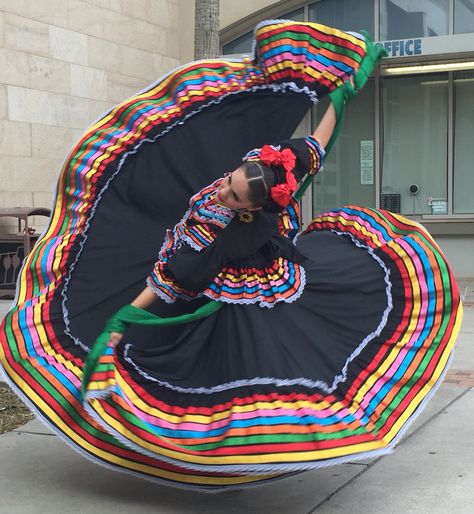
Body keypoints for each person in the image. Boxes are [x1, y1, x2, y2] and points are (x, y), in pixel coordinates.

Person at [108, 102, 338, 346]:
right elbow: (316, 143)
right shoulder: (269, 168)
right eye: (228, 180)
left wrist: (127, 314)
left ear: (252, 208)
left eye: (235, 196)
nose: (223, 192)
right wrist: (339, 98)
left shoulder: (219, 233)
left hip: (236, 278)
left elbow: (173, 274)